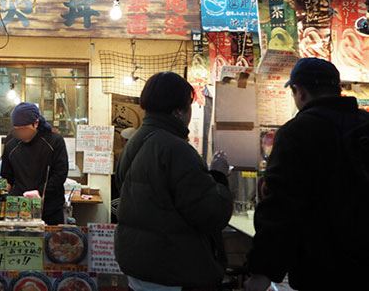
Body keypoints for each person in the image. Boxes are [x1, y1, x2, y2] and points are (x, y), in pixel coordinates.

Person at [245, 58, 369, 291]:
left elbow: (280, 207)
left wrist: (262, 270)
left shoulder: (297, 132)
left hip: (321, 267)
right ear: (337, 89)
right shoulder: (364, 125)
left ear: (298, 92)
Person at [115, 72, 233, 291]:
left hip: (139, 267)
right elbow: (210, 214)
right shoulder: (176, 149)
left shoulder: (134, 141)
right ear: (179, 111)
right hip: (172, 271)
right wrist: (218, 176)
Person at [1, 102, 68, 225]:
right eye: (17, 130)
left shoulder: (54, 141)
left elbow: (60, 174)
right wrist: (0, 197)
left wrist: (40, 191)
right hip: (19, 210)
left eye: (24, 129)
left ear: (36, 123)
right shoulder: (11, 143)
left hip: (49, 208)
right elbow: (6, 177)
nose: (21, 133)